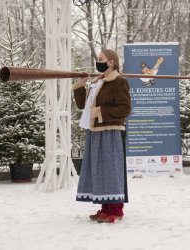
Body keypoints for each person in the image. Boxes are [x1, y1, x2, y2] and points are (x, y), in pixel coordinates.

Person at [72, 49, 131, 223]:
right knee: (101, 170)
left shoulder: (119, 81)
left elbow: (125, 109)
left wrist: (100, 112)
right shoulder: (99, 82)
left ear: (111, 62)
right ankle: (105, 207)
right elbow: (83, 105)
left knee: (111, 170)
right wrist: (81, 84)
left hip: (111, 132)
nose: (98, 62)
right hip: (95, 131)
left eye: (101, 59)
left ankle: (115, 210)